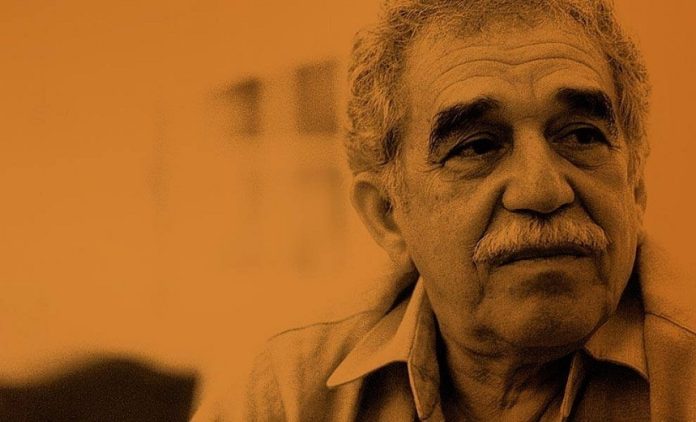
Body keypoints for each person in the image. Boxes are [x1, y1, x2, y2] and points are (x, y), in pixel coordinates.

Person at [236, 0, 696, 420]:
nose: (542, 191)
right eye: (477, 146)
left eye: (582, 136)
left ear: (635, 184)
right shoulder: (291, 396)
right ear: (387, 215)